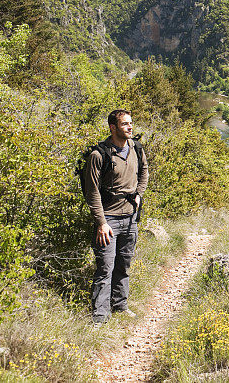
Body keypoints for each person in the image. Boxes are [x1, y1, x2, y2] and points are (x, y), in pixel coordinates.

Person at [83, 109, 149, 325]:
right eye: (125, 124)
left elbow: (144, 172)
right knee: (105, 267)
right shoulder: (98, 155)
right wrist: (101, 223)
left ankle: (120, 305)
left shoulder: (136, 148)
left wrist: (138, 193)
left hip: (131, 218)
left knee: (124, 264)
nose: (130, 127)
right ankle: (100, 317)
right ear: (113, 127)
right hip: (109, 220)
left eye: (131, 123)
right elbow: (91, 191)